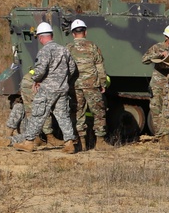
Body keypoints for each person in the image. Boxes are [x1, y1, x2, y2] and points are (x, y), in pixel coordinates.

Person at [11, 22, 78, 154]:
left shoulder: (44, 51)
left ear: (41, 37)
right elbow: (72, 68)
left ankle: (29, 142)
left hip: (47, 89)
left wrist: (36, 79)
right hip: (62, 88)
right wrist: (63, 80)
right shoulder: (64, 50)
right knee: (63, 115)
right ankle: (69, 143)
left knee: (37, 113)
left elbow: (40, 70)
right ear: (51, 35)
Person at [66, 19, 111, 150]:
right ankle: (100, 142)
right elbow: (100, 66)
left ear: (73, 34)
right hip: (92, 85)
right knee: (98, 111)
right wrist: (102, 83)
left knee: (77, 112)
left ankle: (81, 143)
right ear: (85, 32)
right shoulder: (93, 46)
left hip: (75, 86)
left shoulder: (68, 48)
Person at [142, 24, 169, 146]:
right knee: (156, 109)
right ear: (166, 37)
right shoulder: (157, 47)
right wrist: (159, 55)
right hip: (157, 84)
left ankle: (167, 138)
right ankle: (160, 136)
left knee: (167, 111)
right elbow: (145, 59)